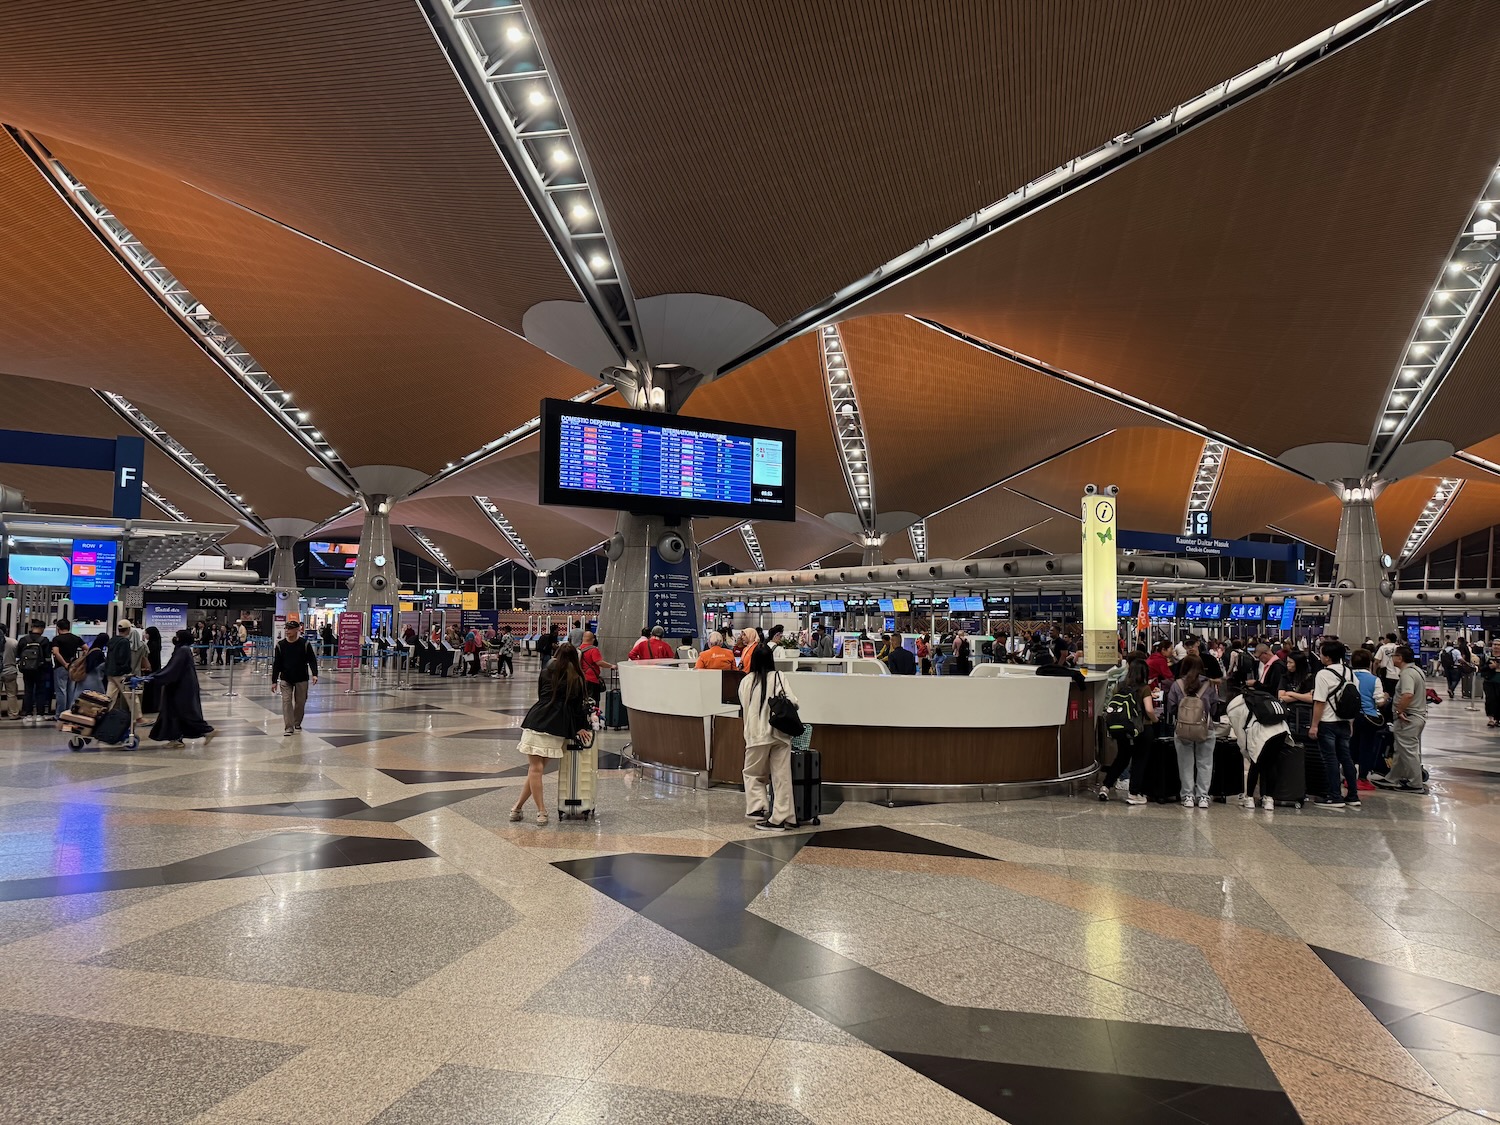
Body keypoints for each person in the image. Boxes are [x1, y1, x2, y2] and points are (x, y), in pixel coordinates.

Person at [512, 643, 591, 826]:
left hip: (537, 718)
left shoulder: (546, 672)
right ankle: (538, 811)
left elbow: (541, 695)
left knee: (535, 770)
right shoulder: (577, 677)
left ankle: (518, 808)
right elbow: (577, 707)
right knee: (536, 770)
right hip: (557, 724)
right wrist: (581, 726)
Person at [1282, 640, 1358, 810]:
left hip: (1328, 722)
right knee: (1346, 759)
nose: (1320, 656)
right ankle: (1353, 795)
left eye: (1322, 653)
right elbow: (1353, 701)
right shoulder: (1351, 673)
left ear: (1328, 657)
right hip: (1345, 722)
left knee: (1330, 759)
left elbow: (1319, 702)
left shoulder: (1324, 674)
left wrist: (1314, 725)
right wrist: (1351, 723)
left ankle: (1334, 796)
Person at [740, 642, 798, 830]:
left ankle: (758, 807)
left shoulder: (747, 681)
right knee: (782, 777)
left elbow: (745, 707)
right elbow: (794, 702)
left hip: (757, 735)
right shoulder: (780, 677)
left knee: (752, 773)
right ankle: (782, 817)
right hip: (780, 734)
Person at [136, 630, 216, 747]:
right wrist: (154, 676)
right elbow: (170, 667)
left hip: (182, 688)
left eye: (177, 637)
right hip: (178, 686)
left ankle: (208, 730)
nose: (175, 638)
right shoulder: (181, 649)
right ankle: (176, 739)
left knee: (185, 712)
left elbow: (172, 669)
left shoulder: (183, 650)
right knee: (173, 712)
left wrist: (155, 678)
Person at [1167, 655, 1219, 809]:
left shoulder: (1177, 685)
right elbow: (1215, 708)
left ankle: (1187, 796)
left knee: (1185, 764)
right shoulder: (1209, 685)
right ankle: (1203, 797)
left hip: (1183, 729)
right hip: (1205, 729)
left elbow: (1171, 707)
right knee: (1205, 763)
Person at [1099, 658, 1153, 804]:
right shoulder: (1144, 688)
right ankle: (1134, 794)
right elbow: (1148, 709)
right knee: (1139, 760)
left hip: (1122, 728)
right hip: (1141, 729)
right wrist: (1154, 719)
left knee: (1121, 758)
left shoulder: (1120, 685)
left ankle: (1105, 786)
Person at [1377, 645, 1428, 794]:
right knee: (1401, 750)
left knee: (1409, 751)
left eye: (1393, 656)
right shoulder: (1417, 671)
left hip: (1408, 718)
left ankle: (1415, 784)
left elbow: (1407, 694)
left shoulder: (1407, 674)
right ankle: (1393, 778)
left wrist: (1399, 710)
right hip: (1416, 717)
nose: (1391, 659)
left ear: (1400, 658)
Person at [1348, 648, 1387, 790]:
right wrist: (1386, 698)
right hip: (1369, 718)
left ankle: (1348, 777)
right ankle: (1362, 778)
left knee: (1351, 747)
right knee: (1367, 748)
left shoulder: (1348, 676)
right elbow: (1379, 701)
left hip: (1350, 717)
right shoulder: (1374, 680)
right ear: (1369, 663)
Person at [271, 620, 319, 735]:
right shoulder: (280, 645)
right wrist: (274, 681)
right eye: (286, 628)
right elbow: (277, 663)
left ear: (298, 629)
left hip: (301, 677)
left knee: (300, 702)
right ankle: (289, 727)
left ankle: (297, 722)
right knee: (286, 701)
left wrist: (315, 674)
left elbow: (312, 660)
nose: (287, 631)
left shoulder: (305, 644)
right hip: (286, 678)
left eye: (290, 628)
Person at [15, 620, 53, 726]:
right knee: (40, 692)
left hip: (27, 670)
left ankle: (28, 714)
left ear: (32, 627)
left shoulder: (23, 640)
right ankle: (40, 715)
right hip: (40, 669)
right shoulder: (44, 640)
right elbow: (47, 657)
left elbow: (18, 655)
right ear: (42, 629)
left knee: (28, 691)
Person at [50, 618, 85, 718]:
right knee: (71, 691)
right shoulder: (76, 638)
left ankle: (60, 714)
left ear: (58, 628)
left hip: (61, 667)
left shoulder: (57, 639)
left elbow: (56, 652)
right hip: (73, 667)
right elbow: (86, 649)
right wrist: (80, 661)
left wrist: (64, 663)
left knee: (61, 691)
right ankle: (69, 713)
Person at [104, 621, 138, 721]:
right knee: (131, 695)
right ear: (128, 629)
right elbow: (123, 658)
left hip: (110, 672)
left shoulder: (112, 640)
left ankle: (103, 714)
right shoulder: (124, 642)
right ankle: (138, 717)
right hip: (121, 673)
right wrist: (128, 671)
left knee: (110, 696)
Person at [578, 630, 613, 704]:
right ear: (593, 639)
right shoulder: (593, 650)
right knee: (593, 702)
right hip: (591, 679)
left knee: (583, 701)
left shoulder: (578, 649)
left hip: (581, 679)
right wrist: (611, 666)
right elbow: (599, 662)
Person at [140, 626, 163, 718]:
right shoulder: (156, 643)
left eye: (146, 633)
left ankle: (148, 707)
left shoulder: (151, 645)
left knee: (149, 690)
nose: (145, 635)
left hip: (150, 670)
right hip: (155, 669)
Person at [1374, 633, 1400, 700]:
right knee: (1397, 694)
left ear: (1388, 639)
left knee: (1387, 693)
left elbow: (1376, 661)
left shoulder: (1383, 648)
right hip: (1398, 675)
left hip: (1386, 674)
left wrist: (1374, 672)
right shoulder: (1399, 648)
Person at [0, 626, 18, 721]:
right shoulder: (13, 642)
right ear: (6, 631)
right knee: (11, 694)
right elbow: (17, 654)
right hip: (10, 671)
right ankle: (13, 714)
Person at [1484, 639, 1500, 729]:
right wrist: (1490, 666)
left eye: (1498, 645)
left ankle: (1498, 719)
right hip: (1489, 681)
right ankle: (1491, 719)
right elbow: (1481, 668)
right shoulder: (1486, 656)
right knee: (1490, 699)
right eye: (1495, 644)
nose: (1496, 647)